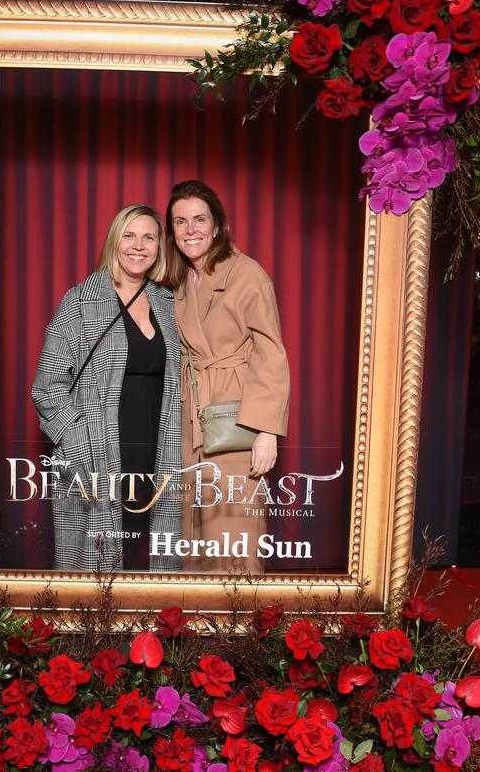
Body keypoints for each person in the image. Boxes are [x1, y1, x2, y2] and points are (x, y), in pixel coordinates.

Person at [32, 204, 181, 573]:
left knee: (155, 551)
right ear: (114, 241)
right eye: (129, 235)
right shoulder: (80, 301)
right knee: (96, 565)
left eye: (149, 237)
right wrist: (79, 441)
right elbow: (47, 387)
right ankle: (93, 631)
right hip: (99, 449)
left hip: (158, 450)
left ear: (159, 247)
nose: (138, 245)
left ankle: (156, 629)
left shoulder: (168, 303)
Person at [165, 180, 290, 574]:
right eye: (180, 222)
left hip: (236, 418)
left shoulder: (248, 273)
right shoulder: (182, 279)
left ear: (217, 225)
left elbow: (270, 351)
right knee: (195, 538)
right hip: (191, 419)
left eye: (199, 219)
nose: (190, 230)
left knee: (235, 533)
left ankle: (240, 627)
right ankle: (199, 632)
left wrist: (265, 431)